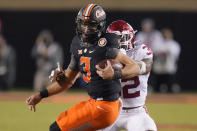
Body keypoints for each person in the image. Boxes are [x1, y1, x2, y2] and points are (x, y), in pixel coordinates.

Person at [26, 3, 140, 131]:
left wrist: (115, 74)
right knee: (58, 125)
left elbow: (135, 67)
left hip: (106, 107)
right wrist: (41, 95)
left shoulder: (105, 45)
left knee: (57, 129)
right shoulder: (77, 44)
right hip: (94, 103)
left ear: (99, 26)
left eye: (90, 25)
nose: (85, 29)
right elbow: (68, 80)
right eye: (83, 24)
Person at [97, 20, 157, 131]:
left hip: (136, 112)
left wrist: (116, 73)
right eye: (114, 38)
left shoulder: (141, 51)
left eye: (121, 38)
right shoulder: (102, 53)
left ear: (130, 36)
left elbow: (146, 66)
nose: (118, 42)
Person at [153, 28, 181, 93]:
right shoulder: (158, 43)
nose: (166, 35)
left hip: (169, 67)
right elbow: (154, 51)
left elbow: (175, 54)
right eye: (164, 34)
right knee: (157, 86)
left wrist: (167, 52)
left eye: (168, 34)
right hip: (159, 67)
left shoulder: (174, 44)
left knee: (170, 86)